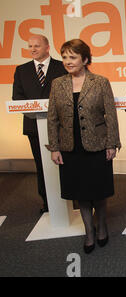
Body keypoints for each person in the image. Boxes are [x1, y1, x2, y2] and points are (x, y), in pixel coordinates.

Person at [46, 39, 121, 254]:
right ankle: (89, 231)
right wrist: (54, 147)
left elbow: (111, 116)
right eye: (65, 57)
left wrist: (112, 143)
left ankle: (102, 226)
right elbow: (52, 118)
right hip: (71, 148)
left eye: (73, 57)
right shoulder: (57, 84)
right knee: (81, 193)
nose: (68, 62)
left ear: (85, 59)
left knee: (98, 191)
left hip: (97, 146)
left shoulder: (100, 82)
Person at [12, 34, 67, 214]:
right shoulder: (21, 70)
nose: (33, 49)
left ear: (47, 47)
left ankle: (70, 198)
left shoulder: (63, 66)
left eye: (37, 45)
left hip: (62, 126)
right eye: (30, 46)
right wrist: (34, 112)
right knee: (41, 165)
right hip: (34, 127)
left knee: (66, 163)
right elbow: (17, 98)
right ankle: (47, 201)